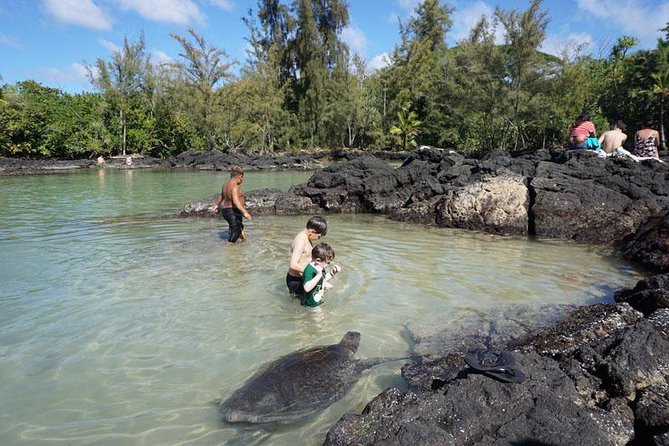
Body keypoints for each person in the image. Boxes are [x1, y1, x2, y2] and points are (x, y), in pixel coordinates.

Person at [286, 216, 328, 296]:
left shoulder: (306, 237)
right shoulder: (301, 241)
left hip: (302, 278)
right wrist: (313, 273)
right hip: (296, 281)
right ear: (312, 231)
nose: (318, 239)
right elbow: (293, 264)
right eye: (318, 236)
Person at [210, 166, 252, 244]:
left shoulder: (225, 185)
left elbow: (221, 196)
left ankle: (243, 241)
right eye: (243, 178)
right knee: (235, 232)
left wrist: (216, 205)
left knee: (238, 227)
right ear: (241, 176)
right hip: (233, 211)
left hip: (226, 211)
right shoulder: (235, 187)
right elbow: (235, 201)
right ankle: (229, 250)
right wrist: (245, 212)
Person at [301, 242, 341, 307]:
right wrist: (318, 275)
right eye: (328, 263)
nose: (329, 264)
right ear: (318, 260)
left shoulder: (320, 267)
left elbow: (323, 279)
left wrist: (332, 273)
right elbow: (306, 288)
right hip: (310, 304)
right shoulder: (309, 270)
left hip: (317, 300)